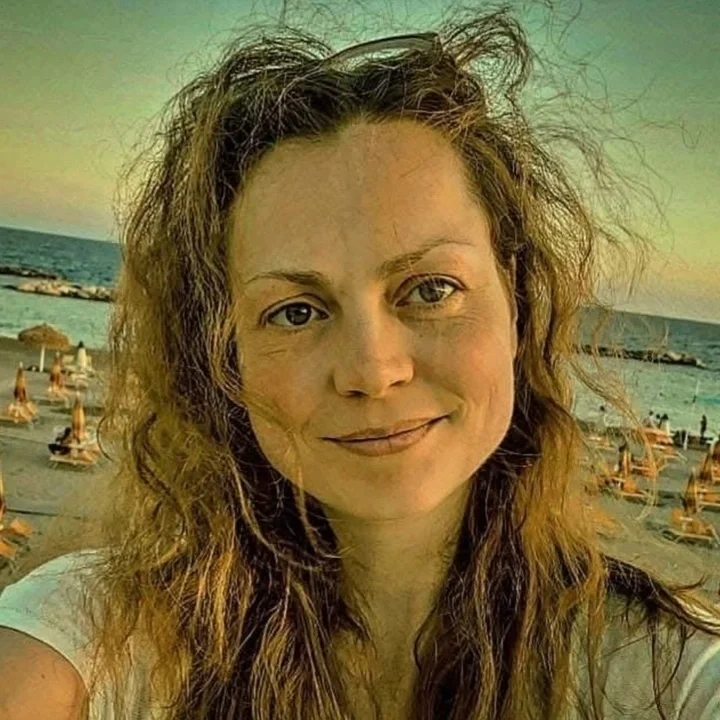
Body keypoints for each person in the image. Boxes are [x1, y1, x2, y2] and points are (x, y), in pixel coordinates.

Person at [1, 10, 719, 720]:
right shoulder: (96, 634)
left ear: (517, 305)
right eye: (295, 311)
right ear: (223, 356)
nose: (372, 371)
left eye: (431, 289)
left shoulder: (665, 672)